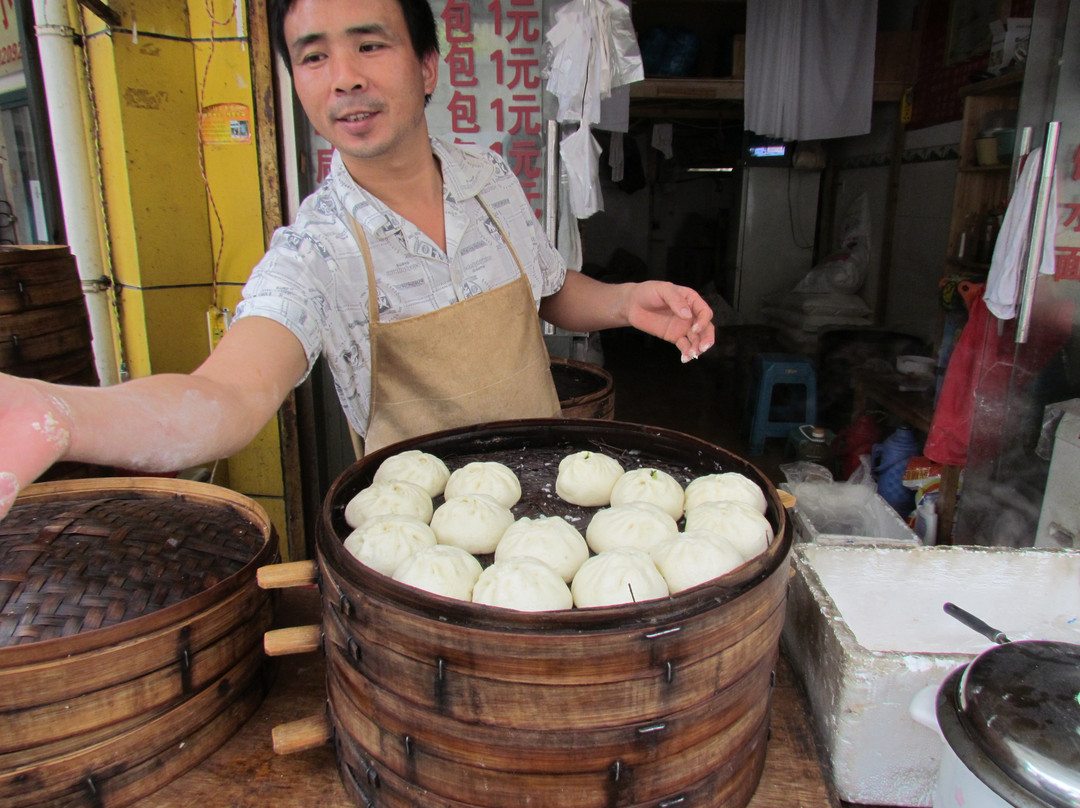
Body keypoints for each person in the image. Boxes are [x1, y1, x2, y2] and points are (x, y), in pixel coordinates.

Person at [0, 0, 713, 521]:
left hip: (554, 496)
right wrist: (59, 413)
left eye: (369, 46)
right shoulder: (315, 253)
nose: (342, 77)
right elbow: (228, 397)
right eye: (312, 56)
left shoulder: (489, 180)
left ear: (427, 67)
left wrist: (623, 301)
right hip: (423, 536)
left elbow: (549, 290)